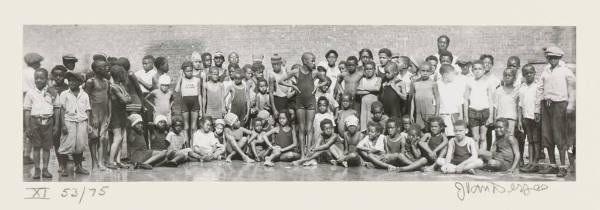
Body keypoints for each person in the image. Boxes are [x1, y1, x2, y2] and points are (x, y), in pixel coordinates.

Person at [537, 46, 575, 177]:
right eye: (549, 57)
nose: (552, 60)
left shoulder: (566, 71)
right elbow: (540, 89)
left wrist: (570, 105)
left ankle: (563, 167)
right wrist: (539, 106)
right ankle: (552, 165)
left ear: (559, 58)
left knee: (560, 136)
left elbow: (572, 90)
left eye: (555, 58)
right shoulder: (546, 71)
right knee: (547, 135)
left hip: (560, 105)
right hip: (546, 105)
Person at [277, 52, 319, 157]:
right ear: (305, 61)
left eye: (314, 61)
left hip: (311, 102)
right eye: (312, 61)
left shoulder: (314, 73)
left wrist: (318, 86)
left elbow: (327, 81)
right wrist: (293, 86)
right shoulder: (296, 71)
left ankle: (308, 151)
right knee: (301, 128)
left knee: (309, 128)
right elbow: (280, 81)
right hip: (300, 102)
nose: (314, 63)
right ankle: (302, 154)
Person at [24, 68, 60, 179]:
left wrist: (56, 125)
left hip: (48, 122)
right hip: (35, 122)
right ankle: (37, 170)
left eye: (42, 78)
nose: (39, 80)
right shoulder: (30, 93)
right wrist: (27, 127)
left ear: (47, 79)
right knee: (36, 147)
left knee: (46, 147)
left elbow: (57, 109)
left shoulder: (53, 92)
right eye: (36, 78)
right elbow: (27, 110)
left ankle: (45, 169)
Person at [58, 71, 91, 176]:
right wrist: (63, 124)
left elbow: (87, 110)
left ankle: (79, 167)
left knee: (79, 145)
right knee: (66, 145)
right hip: (69, 122)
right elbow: (62, 110)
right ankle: (63, 167)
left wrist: (88, 124)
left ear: (79, 82)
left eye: (74, 81)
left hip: (81, 122)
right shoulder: (64, 94)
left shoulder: (84, 95)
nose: (71, 83)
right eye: (70, 81)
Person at [84, 60, 111, 171]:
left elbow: (108, 99)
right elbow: (86, 99)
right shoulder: (91, 82)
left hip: (104, 114)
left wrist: (109, 114)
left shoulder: (107, 82)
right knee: (94, 138)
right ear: (97, 69)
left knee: (103, 138)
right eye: (104, 67)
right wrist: (92, 116)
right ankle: (94, 162)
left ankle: (100, 162)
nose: (107, 68)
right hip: (94, 113)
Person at [518, 64, 542, 173]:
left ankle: (536, 163)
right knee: (530, 140)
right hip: (526, 117)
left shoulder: (538, 85)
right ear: (523, 75)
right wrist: (519, 120)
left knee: (536, 141)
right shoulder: (522, 87)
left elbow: (540, 102)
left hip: (536, 118)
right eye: (526, 73)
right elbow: (520, 105)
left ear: (534, 73)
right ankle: (531, 162)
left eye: (531, 72)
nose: (529, 74)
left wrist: (539, 115)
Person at [465, 60, 494, 150]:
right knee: (475, 138)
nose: (477, 71)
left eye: (480, 69)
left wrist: (491, 116)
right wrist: (466, 117)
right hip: (473, 111)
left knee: (483, 138)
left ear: (484, 70)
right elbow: (466, 100)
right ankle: (475, 157)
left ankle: (482, 159)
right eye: (475, 69)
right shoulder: (469, 83)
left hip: (485, 111)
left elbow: (490, 100)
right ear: (472, 70)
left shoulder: (488, 83)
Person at [107, 65, 131, 170]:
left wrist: (126, 97)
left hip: (122, 114)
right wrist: (126, 97)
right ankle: (110, 161)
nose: (125, 76)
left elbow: (128, 99)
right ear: (119, 75)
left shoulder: (121, 86)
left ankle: (118, 160)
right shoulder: (114, 87)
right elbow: (126, 100)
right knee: (118, 138)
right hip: (115, 115)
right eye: (123, 74)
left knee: (121, 138)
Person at [437, 64, 468, 138]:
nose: (454, 76)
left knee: (454, 137)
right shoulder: (437, 84)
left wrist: (461, 116)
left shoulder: (456, 85)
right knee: (443, 137)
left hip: (454, 115)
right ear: (445, 74)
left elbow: (459, 102)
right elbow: (436, 102)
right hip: (442, 115)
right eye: (452, 74)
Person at [23, 53, 43, 165]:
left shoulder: (22, 72)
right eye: (38, 62)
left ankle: (23, 153)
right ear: (34, 63)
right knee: (31, 129)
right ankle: (26, 155)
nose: (39, 64)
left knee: (23, 129)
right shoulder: (33, 74)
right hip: (29, 101)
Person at [175, 61, 202, 138]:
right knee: (186, 126)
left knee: (194, 126)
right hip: (185, 103)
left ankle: (193, 145)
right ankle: (187, 146)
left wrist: (201, 110)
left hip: (195, 102)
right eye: (187, 71)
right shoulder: (182, 79)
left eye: (191, 71)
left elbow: (199, 94)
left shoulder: (197, 80)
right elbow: (176, 90)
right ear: (183, 71)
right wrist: (180, 77)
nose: (189, 73)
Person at [50, 65, 69, 172]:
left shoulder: (68, 88)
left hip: (66, 118)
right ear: (52, 76)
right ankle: (61, 164)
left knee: (66, 141)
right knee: (57, 141)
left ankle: (65, 164)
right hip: (54, 119)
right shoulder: (49, 89)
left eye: (60, 75)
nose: (58, 77)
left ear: (64, 76)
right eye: (56, 75)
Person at [410, 62, 439, 129]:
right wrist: (411, 114)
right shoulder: (415, 83)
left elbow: (437, 98)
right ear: (419, 71)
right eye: (423, 71)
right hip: (419, 113)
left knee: (431, 130)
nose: (425, 73)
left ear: (431, 72)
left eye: (427, 71)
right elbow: (412, 100)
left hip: (430, 112)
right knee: (420, 130)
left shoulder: (433, 83)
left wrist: (437, 112)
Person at [493, 68, 519, 140]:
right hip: (500, 118)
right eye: (505, 75)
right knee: (499, 138)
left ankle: (509, 151)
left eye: (510, 75)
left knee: (510, 138)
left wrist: (518, 120)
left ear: (514, 78)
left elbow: (518, 106)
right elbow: (495, 105)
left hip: (511, 119)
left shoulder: (517, 90)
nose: (507, 77)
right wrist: (494, 119)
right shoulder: (498, 90)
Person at [356, 61, 382, 130]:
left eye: (370, 69)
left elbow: (377, 88)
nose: (368, 71)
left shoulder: (378, 79)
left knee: (372, 121)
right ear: (364, 71)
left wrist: (363, 89)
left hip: (373, 104)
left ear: (374, 70)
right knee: (364, 122)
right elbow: (358, 91)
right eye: (367, 69)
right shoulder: (363, 80)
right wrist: (371, 91)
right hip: (364, 105)